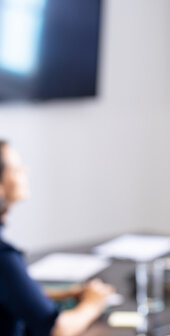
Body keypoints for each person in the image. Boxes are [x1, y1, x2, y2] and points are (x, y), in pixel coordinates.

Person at [0, 140, 114, 336]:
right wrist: (93, 304)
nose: (25, 171)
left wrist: (64, 294)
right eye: (17, 169)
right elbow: (55, 329)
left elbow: (9, 293)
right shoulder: (4, 258)